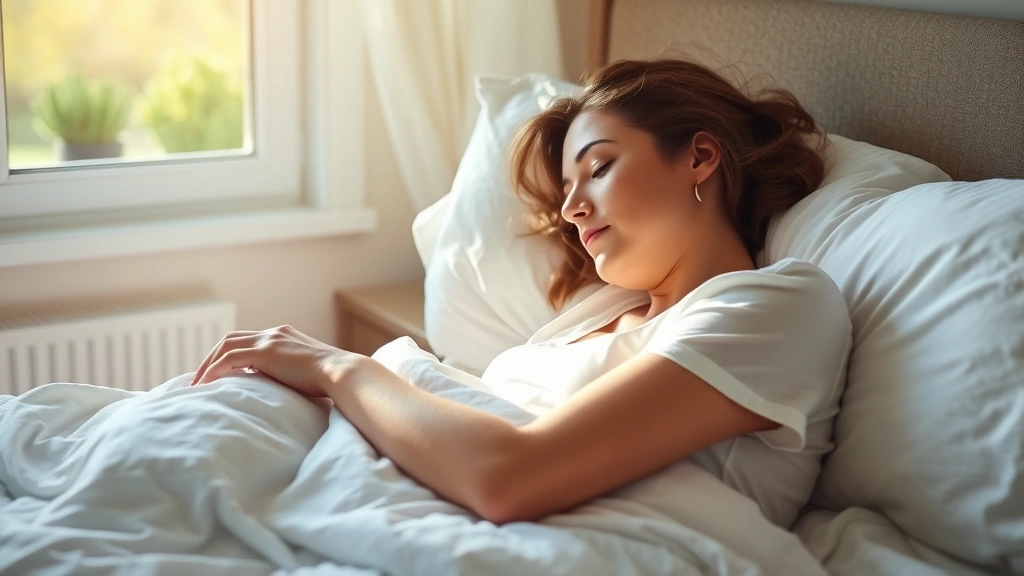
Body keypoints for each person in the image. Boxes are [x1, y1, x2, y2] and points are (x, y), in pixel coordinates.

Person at [189, 58, 852, 530]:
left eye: (599, 167)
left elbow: (511, 477)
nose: (572, 210)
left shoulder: (778, 306)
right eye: (566, 190)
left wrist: (338, 366)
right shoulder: (597, 314)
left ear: (700, 158)